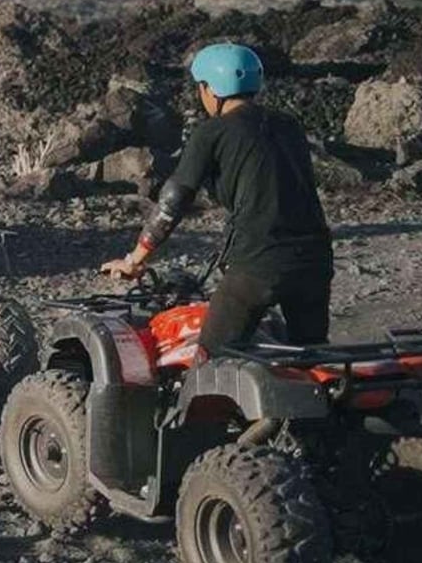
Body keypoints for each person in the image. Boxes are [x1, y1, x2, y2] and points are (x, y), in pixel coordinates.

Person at [101, 43, 334, 358]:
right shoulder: (288, 126)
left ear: (210, 89)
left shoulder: (212, 132)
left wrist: (135, 260)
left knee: (213, 359)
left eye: (202, 87)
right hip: (315, 260)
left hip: (258, 261)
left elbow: (174, 199)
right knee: (310, 356)